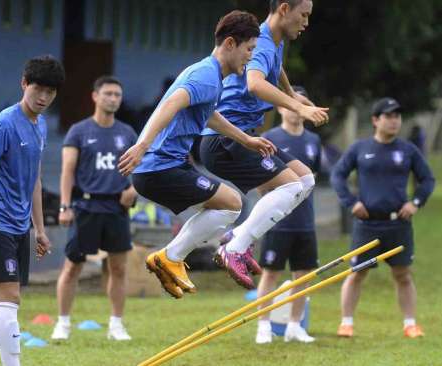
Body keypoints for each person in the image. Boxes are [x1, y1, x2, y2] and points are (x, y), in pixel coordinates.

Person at [117, 10, 276, 299]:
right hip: (158, 168)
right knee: (231, 203)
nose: (251, 57)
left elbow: (209, 115)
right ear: (230, 44)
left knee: (228, 203)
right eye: (249, 49)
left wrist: (246, 140)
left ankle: (171, 257)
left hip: (168, 165)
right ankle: (170, 256)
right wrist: (142, 145)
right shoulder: (205, 76)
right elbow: (170, 105)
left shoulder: (212, 76)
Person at [198, 0, 329, 289]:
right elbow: (255, 83)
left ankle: (238, 239)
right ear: (284, 9)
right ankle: (234, 246)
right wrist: (299, 109)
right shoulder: (264, 44)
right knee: (291, 186)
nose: (306, 22)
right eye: (303, 15)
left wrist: (292, 95)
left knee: (305, 179)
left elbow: (276, 66)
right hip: (226, 139)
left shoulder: (272, 40)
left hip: (240, 137)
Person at [0, 56, 65, 366]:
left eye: (50, 92)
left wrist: (39, 229)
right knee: (11, 299)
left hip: (21, 226)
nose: (43, 97)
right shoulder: (5, 123)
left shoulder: (41, 125)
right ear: (24, 84)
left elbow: (34, 179)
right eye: (38, 88)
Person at [330, 97, 436, 339]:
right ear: (375, 120)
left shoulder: (408, 150)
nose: (394, 121)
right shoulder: (360, 148)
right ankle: (346, 323)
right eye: (388, 116)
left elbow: (428, 180)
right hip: (367, 224)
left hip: (398, 224)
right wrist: (351, 202)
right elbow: (338, 176)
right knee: (357, 272)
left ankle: (410, 324)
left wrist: (416, 202)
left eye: (397, 116)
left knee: (402, 275)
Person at [51, 76, 138, 341]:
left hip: (117, 208)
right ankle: (63, 323)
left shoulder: (128, 133)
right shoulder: (79, 131)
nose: (113, 99)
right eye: (108, 94)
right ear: (95, 96)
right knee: (72, 267)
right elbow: (67, 171)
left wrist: (134, 190)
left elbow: (143, 170)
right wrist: (65, 206)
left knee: (119, 268)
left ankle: (116, 325)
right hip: (85, 206)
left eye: (117, 95)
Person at [254, 86, 321, 344]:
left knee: (303, 274)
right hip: (278, 221)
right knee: (270, 272)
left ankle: (295, 325)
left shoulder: (313, 141)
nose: (295, 110)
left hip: (305, 220)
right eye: (290, 103)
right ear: (281, 107)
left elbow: (313, 176)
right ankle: (263, 326)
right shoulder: (270, 137)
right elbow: (261, 177)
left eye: (300, 104)